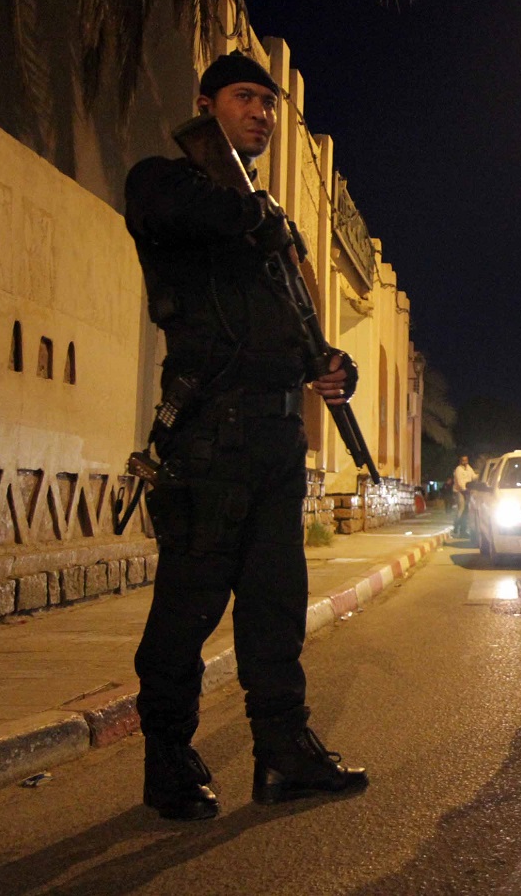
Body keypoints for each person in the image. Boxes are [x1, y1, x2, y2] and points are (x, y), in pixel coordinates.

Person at [124, 51, 367, 821]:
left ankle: (283, 755)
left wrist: (333, 367)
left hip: (272, 438)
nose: (261, 111)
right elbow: (188, 216)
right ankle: (168, 760)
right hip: (207, 437)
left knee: (275, 609)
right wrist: (260, 218)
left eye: (267, 100)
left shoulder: (268, 216)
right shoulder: (165, 183)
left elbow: (303, 334)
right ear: (207, 107)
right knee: (185, 612)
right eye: (244, 98)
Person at [451, 454, 476, 539]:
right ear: (460, 461)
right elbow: (459, 481)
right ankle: (456, 527)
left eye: (466, 460)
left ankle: (463, 530)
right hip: (460, 492)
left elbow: (473, 476)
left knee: (466, 512)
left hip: (467, 492)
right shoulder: (458, 469)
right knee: (461, 509)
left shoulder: (469, 468)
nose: (465, 462)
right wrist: (464, 489)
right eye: (463, 460)